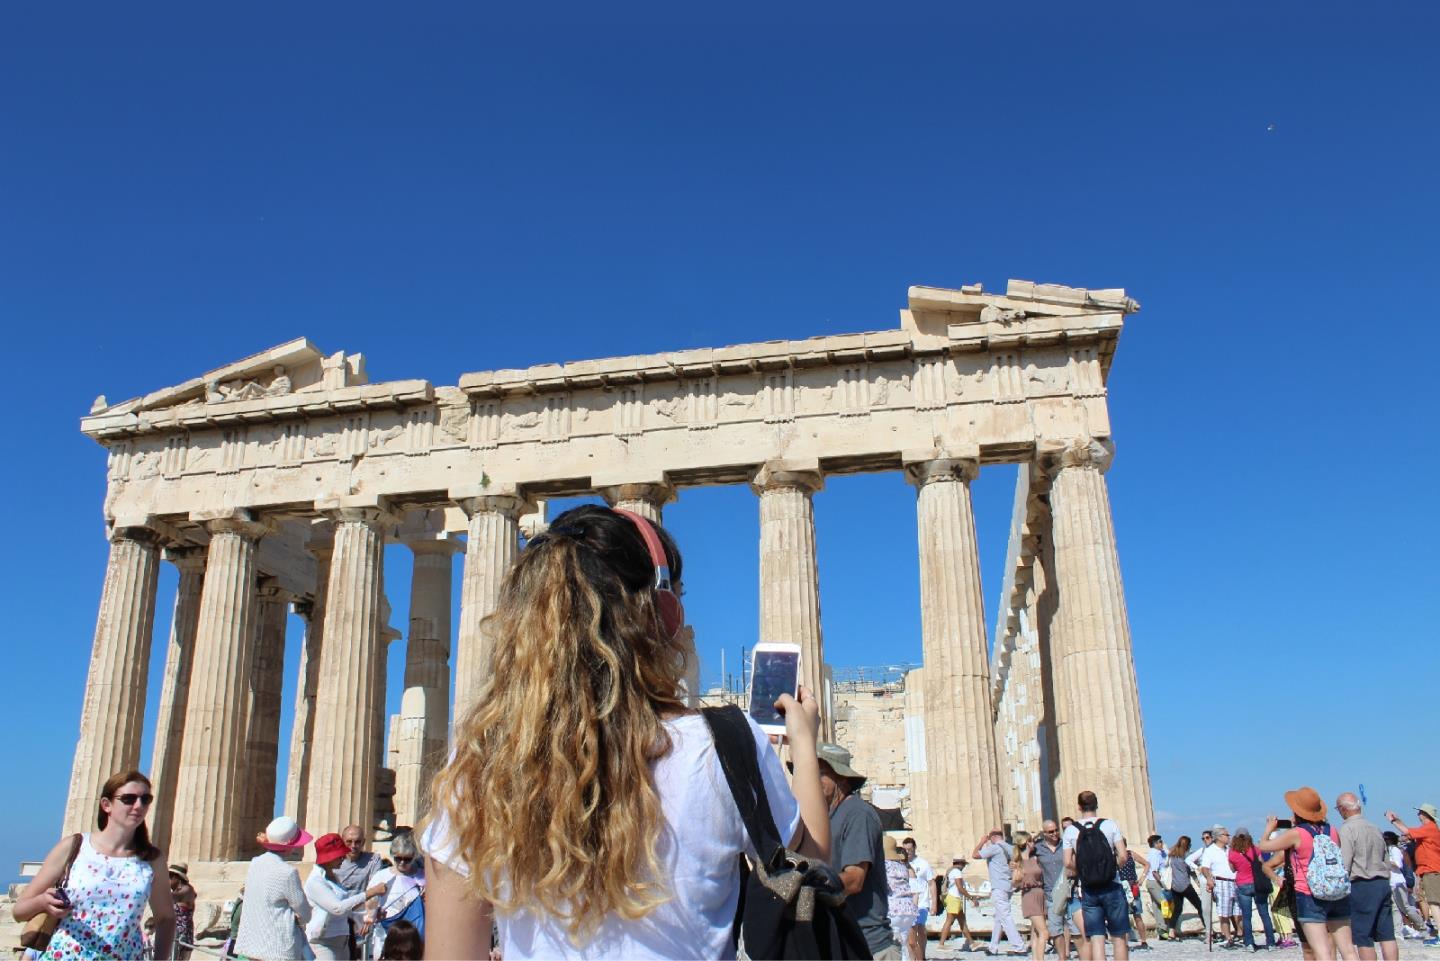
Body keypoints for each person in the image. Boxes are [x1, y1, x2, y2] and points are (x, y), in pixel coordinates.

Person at [419, 505, 831, 960]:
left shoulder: (479, 770)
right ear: (664, 613)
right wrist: (804, 743)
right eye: (679, 594)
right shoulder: (722, 746)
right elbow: (810, 860)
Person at [12, 770, 175, 960]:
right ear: (107, 805)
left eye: (145, 799)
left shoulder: (152, 859)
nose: (138, 805)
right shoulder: (74, 846)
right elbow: (19, 911)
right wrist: (43, 902)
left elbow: (165, 918)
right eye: (129, 799)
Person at [1258, 785, 1356, 960]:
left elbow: (1263, 846)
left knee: (1322, 951)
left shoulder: (1297, 833)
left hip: (1309, 893)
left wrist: (1269, 828)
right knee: (1348, 949)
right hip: (1337, 891)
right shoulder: (1332, 830)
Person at [821, 743, 898, 958]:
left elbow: (855, 879)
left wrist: (809, 887)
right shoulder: (828, 818)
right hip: (844, 943)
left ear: (841, 779)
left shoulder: (857, 814)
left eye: (821, 774)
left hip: (869, 946)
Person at [234, 816, 314, 960]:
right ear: (290, 845)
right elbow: (304, 912)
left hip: (252, 944)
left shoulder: (255, 863)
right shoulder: (287, 872)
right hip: (278, 948)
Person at [1062, 790, 1128, 961]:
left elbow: (1068, 862)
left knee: (1097, 939)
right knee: (1119, 938)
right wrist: (1111, 869)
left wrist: (1084, 872)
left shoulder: (1070, 830)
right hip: (1112, 885)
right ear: (1097, 805)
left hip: (1089, 889)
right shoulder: (1110, 825)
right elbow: (1123, 856)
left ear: (1078, 807)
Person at [305, 832, 389, 959]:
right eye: (340, 856)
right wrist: (371, 892)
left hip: (342, 940)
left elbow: (348, 907)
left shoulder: (333, 877)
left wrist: (371, 915)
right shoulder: (315, 881)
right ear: (329, 858)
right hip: (322, 943)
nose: (344, 858)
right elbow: (338, 908)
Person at [1335, 794, 1395, 961]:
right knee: (1387, 934)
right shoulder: (1375, 827)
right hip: (1382, 882)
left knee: (1364, 936)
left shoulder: (1347, 829)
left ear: (1343, 809)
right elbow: (1386, 858)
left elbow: (1345, 863)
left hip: (1362, 884)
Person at [1384, 802, 1440, 945]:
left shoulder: (1429, 828)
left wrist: (1392, 821)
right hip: (1429, 870)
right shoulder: (1430, 829)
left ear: (1425, 815)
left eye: (1420, 812)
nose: (1418, 815)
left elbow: (1407, 832)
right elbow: (1409, 830)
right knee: (1433, 902)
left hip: (1431, 869)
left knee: (1434, 903)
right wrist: (1397, 820)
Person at [365, 829, 426, 958]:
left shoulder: (424, 876)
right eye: (398, 858)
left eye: (407, 859)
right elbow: (369, 903)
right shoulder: (382, 876)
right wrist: (373, 913)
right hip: (387, 934)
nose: (402, 862)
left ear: (414, 857)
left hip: (416, 936)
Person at [974, 828, 1024, 956]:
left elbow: (975, 855)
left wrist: (981, 842)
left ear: (992, 837)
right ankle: (993, 947)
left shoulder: (995, 847)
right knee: (999, 917)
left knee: (1005, 916)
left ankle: (1019, 946)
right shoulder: (1010, 848)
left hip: (998, 886)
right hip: (1008, 885)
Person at [334, 825, 382, 955]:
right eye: (349, 841)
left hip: (362, 917)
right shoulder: (333, 862)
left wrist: (369, 917)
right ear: (342, 841)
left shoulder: (373, 860)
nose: (353, 846)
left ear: (364, 842)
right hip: (338, 915)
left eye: (358, 842)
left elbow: (374, 889)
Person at [1229, 829, 1278, 950]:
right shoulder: (1254, 849)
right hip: (1258, 884)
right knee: (1264, 914)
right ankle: (1271, 943)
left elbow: (1232, 869)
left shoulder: (1232, 853)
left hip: (1242, 884)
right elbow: (1262, 863)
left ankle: (1249, 943)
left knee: (1246, 916)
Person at [1201, 826, 1240, 947]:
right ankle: (1228, 938)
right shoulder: (1210, 850)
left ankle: (1240, 933)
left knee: (1238, 911)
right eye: (1226, 835)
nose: (1229, 837)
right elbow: (1205, 867)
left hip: (1235, 881)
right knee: (1224, 913)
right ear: (1218, 837)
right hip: (1221, 882)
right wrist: (1209, 879)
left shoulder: (1230, 849)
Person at [1034, 821, 1069, 957]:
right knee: (1056, 931)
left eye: (1056, 830)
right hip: (1051, 894)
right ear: (1044, 833)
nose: (1054, 833)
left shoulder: (1066, 844)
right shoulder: (1037, 849)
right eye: (1050, 832)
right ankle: (1062, 957)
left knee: (1077, 930)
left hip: (1069, 892)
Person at [1384, 831, 1426, 938]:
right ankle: (1398, 932)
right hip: (1391, 882)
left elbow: (1398, 864)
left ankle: (1422, 925)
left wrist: (1386, 862)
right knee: (1394, 908)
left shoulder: (1395, 850)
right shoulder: (1387, 851)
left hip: (1398, 882)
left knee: (1406, 907)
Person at [1016, 832, 1049, 961]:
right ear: (1025, 843)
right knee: (1044, 932)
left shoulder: (1034, 858)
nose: (1033, 843)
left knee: (1036, 933)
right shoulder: (1017, 862)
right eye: (1031, 841)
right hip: (1030, 896)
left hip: (1040, 894)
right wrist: (1019, 881)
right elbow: (1014, 882)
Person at [884, 836, 918, 958]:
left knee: (891, 946)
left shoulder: (883, 866)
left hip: (893, 909)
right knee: (903, 945)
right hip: (908, 909)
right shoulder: (902, 867)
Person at [1166, 836, 1205, 940]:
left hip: (1174, 886)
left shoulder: (1172, 855)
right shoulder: (1186, 856)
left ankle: (1171, 931)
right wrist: (1198, 883)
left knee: (1177, 909)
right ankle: (1209, 929)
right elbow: (1192, 870)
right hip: (1185, 885)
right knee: (1199, 906)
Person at [903, 837, 935, 961]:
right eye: (905, 850)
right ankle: (914, 958)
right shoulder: (902, 864)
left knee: (920, 929)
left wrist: (934, 904)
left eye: (910, 849)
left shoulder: (923, 864)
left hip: (922, 902)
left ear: (915, 848)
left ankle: (922, 955)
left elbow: (931, 883)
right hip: (907, 904)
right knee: (910, 933)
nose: (908, 852)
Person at [939, 857, 981, 951]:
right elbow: (960, 887)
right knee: (949, 921)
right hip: (954, 898)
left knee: (962, 922)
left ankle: (972, 943)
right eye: (964, 865)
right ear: (960, 863)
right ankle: (941, 944)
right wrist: (971, 898)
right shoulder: (957, 872)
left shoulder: (950, 870)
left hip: (952, 898)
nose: (964, 867)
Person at [1118, 845, 1150, 949]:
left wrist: (1141, 879)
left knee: (1137, 915)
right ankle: (1125, 944)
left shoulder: (1130, 854)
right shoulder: (1115, 856)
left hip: (1133, 887)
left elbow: (1147, 864)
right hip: (1121, 888)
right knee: (1124, 916)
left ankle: (1144, 941)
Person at [1143, 836, 1169, 942]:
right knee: (1165, 903)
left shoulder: (1159, 852)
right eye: (1160, 842)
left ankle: (1162, 931)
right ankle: (1167, 928)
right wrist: (1163, 884)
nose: (1162, 843)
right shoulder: (1154, 854)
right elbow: (1154, 871)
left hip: (1153, 882)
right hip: (1155, 882)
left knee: (1157, 907)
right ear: (1155, 843)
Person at [170, 862, 197, 960]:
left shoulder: (188, 890)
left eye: (170, 876)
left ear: (177, 877)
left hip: (182, 938)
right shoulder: (175, 891)